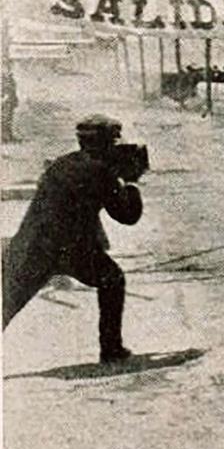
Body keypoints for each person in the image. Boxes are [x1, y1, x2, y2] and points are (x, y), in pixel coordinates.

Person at [3, 115, 144, 363]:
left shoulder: (61, 163)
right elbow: (127, 216)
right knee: (113, 280)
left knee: (6, 304)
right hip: (70, 250)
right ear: (104, 144)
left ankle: (112, 349)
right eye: (113, 142)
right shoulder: (101, 172)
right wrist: (131, 182)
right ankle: (111, 349)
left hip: (30, 245)